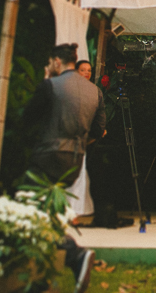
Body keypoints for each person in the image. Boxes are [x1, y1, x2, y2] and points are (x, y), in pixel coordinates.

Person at [23, 43, 105, 293]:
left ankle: (73, 255)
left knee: (30, 208)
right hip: (75, 159)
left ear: (57, 62)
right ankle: (41, 276)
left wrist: (46, 80)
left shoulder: (51, 85)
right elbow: (98, 130)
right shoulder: (95, 91)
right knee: (47, 212)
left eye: (51, 63)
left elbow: (27, 118)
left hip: (47, 154)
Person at [65, 60, 96, 221]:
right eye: (83, 70)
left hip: (82, 136)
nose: (86, 73)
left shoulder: (92, 90)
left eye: (89, 70)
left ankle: (76, 210)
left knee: (80, 173)